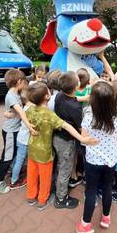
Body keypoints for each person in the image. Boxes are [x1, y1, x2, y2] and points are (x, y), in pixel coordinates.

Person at [25, 82, 97, 211]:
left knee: (32, 174)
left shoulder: (29, 109)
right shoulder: (49, 114)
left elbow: (26, 119)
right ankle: (42, 200)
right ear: (47, 96)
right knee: (45, 177)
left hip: (32, 149)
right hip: (44, 153)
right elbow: (66, 126)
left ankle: (31, 197)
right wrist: (82, 138)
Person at [76, 81, 117, 233]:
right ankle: (106, 218)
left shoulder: (88, 116)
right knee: (107, 188)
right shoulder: (116, 118)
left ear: (93, 99)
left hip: (93, 161)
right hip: (110, 160)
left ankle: (85, 224)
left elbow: (83, 139)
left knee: (91, 191)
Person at [0, 69, 37, 194]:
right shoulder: (11, 96)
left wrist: (11, 114)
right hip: (10, 132)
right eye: (24, 82)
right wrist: (29, 125)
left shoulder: (15, 93)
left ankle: (10, 170)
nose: (25, 85)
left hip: (14, 130)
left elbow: (17, 112)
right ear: (19, 82)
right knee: (8, 155)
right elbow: (21, 111)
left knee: (12, 153)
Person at [53, 72, 83, 209]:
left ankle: (58, 188)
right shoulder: (75, 107)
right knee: (66, 168)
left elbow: (72, 99)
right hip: (67, 141)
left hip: (57, 137)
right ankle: (61, 198)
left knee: (60, 165)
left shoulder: (60, 95)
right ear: (76, 86)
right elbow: (80, 127)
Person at [8, 87, 32, 189]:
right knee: (20, 160)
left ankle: (11, 170)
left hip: (20, 138)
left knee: (18, 158)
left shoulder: (24, 108)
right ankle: (14, 181)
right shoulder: (30, 110)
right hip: (25, 140)